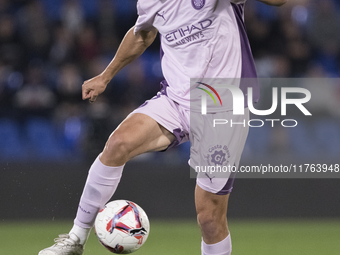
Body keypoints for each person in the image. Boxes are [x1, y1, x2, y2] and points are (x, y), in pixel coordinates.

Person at [38, 0, 287, 254]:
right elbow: (142, 35)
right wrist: (105, 76)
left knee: (209, 217)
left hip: (223, 106)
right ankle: (76, 240)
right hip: (176, 100)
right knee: (118, 144)